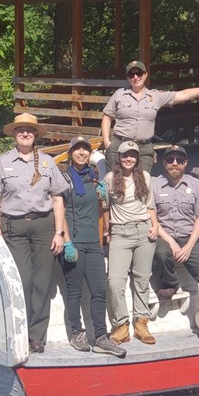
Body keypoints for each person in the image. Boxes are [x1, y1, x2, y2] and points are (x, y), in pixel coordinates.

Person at [0, 113, 68, 353]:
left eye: (30, 130)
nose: (25, 133)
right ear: (14, 134)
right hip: (15, 228)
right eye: (21, 130)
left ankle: (37, 336)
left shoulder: (48, 163)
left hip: (44, 227)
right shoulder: (2, 163)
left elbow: (58, 198)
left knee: (42, 282)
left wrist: (59, 232)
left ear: (36, 135)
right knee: (22, 280)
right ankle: (19, 331)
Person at [60, 136, 126, 358]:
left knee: (99, 290)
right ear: (71, 154)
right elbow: (59, 213)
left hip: (93, 243)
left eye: (85, 150)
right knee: (75, 291)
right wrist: (66, 241)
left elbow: (102, 209)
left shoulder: (93, 178)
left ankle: (100, 337)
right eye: (77, 149)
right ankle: (76, 333)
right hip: (74, 242)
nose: (81, 153)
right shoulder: (64, 179)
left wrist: (104, 199)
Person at [152, 145, 199, 350]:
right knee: (161, 253)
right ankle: (171, 283)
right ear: (164, 163)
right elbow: (152, 218)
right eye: (170, 159)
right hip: (165, 237)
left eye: (179, 160)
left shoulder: (195, 184)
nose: (174, 163)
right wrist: (171, 242)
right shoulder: (155, 185)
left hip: (189, 239)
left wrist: (189, 246)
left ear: (185, 163)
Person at [101, 60, 199, 173]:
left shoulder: (155, 96)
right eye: (131, 75)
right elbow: (107, 117)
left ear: (146, 75)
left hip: (143, 148)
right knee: (115, 184)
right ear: (127, 78)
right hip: (119, 145)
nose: (135, 77)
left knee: (142, 184)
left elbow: (182, 94)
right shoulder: (119, 94)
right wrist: (106, 141)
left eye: (139, 73)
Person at [105, 141, 159, 345]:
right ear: (118, 158)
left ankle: (141, 323)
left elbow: (150, 205)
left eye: (133, 155)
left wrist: (155, 225)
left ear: (137, 158)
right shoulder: (110, 179)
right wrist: (106, 232)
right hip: (120, 232)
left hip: (144, 231)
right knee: (115, 281)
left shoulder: (145, 177)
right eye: (125, 155)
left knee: (142, 280)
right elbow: (105, 208)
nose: (129, 158)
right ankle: (121, 325)